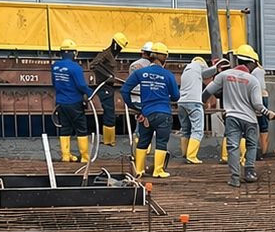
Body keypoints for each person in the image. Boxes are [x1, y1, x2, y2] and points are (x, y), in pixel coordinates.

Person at [204, 44, 271, 187]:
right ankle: (249, 172)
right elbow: (257, 105)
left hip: (232, 117)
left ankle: (235, 178)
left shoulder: (225, 75)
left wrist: (201, 102)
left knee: (233, 146)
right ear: (251, 62)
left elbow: (208, 91)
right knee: (251, 144)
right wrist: (267, 112)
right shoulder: (252, 81)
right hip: (250, 119)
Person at [121, 41, 180, 178]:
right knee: (161, 142)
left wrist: (134, 107)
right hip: (163, 113)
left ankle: (140, 170)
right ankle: (158, 171)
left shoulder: (141, 73)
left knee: (143, 141)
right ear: (164, 57)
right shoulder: (168, 75)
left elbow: (125, 90)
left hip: (146, 113)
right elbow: (176, 96)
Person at [50, 38, 93, 162]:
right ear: (74, 53)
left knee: (65, 128)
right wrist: (90, 93)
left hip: (61, 102)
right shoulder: (75, 68)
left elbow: (54, 83)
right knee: (81, 128)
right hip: (74, 102)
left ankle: (65, 156)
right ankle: (85, 157)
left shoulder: (55, 66)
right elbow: (81, 85)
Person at [88, 32, 130, 145]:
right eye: (120, 47)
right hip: (104, 86)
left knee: (110, 111)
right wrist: (108, 75)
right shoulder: (105, 54)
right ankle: (108, 140)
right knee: (109, 111)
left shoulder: (111, 55)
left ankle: (110, 139)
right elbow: (93, 65)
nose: (120, 50)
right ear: (116, 45)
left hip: (109, 86)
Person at [178, 55, 212, 163]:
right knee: (197, 130)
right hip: (194, 102)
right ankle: (191, 156)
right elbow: (208, 74)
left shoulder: (186, 69)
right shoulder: (199, 66)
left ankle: (185, 154)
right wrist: (217, 68)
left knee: (185, 130)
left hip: (181, 102)